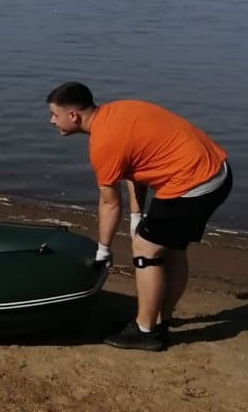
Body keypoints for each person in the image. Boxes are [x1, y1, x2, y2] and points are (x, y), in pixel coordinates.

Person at [46, 82, 232, 351]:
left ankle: (145, 332)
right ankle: (158, 321)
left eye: (54, 114)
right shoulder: (118, 112)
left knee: (145, 249)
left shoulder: (103, 142)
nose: (51, 120)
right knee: (173, 249)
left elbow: (110, 203)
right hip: (217, 172)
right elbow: (136, 166)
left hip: (194, 184)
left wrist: (103, 249)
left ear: (73, 115)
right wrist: (137, 216)